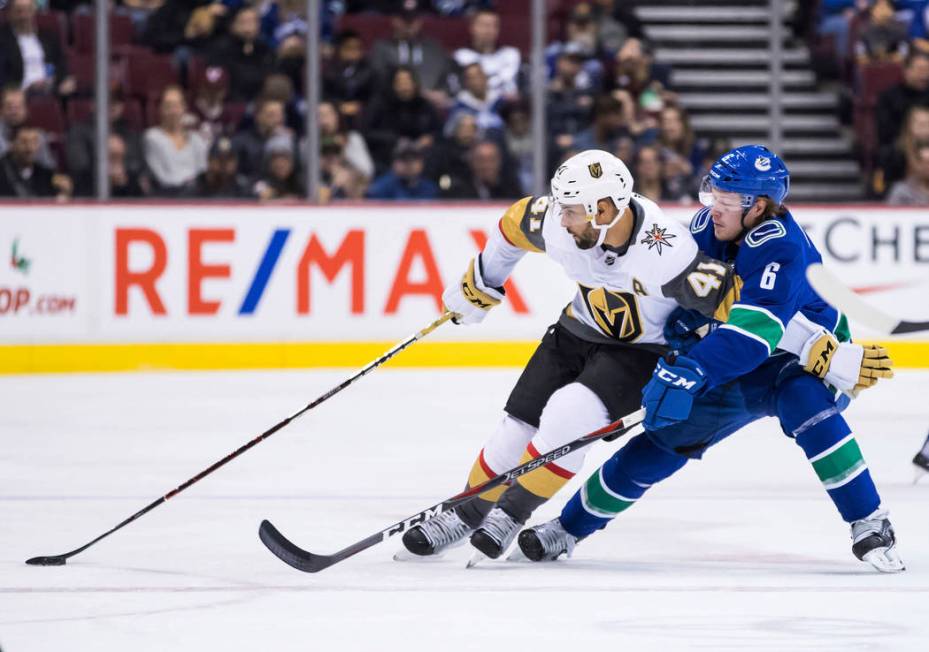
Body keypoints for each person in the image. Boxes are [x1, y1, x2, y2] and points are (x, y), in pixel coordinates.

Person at [517, 146, 903, 574]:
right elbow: (685, 299)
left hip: (800, 360)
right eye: (711, 195)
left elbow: (754, 334)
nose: (712, 209)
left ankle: (871, 521)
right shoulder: (705, 227)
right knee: (663, 439)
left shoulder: (782, 247)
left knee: (806, 405)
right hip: (737, 361)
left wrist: (694, 368)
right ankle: (568, 529)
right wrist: (680, 348)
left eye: (725, 202)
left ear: (757, 207)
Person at [400, 149, 744, 562]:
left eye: (573, 211)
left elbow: (745, 306)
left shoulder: (666, 252)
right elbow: (514, 224)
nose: (562, 220)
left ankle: (510, 514)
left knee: (571, 413)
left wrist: (813, 346)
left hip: (639, 353)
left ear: (605, 210)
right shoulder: (559, 223)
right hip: (575, 331)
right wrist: (483, 282)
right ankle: (467, 512)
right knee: (516, 428)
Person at [0, 0, 75, 96]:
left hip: (50, 92)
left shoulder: (48, 38)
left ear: (34, 11)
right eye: (19, 11)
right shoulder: (3, 39)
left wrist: (64, 80)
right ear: (10, 14)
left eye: (27, 10)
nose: (24, 16)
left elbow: (60, 64)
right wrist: (27, 88)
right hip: (19, 93)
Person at [453, 8, 520, 99]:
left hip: (508, 109)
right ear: (473, 28)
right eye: (485, 25)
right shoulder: (461, 56)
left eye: (494, 26)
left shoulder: (511, 55)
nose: (490, 30)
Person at [0, 124, 71, 199]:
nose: (30, 148)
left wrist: (63, 192)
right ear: (12, 144)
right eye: (24, 142)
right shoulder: (2, 171)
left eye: (34, 142)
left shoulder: (47, 175)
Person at [365, 140, 438, 200]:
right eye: (404, 159)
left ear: (422, 163)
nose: (409, 164)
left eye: (414, 159)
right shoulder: (380, 188)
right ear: (394, 163)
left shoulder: (430, 188)